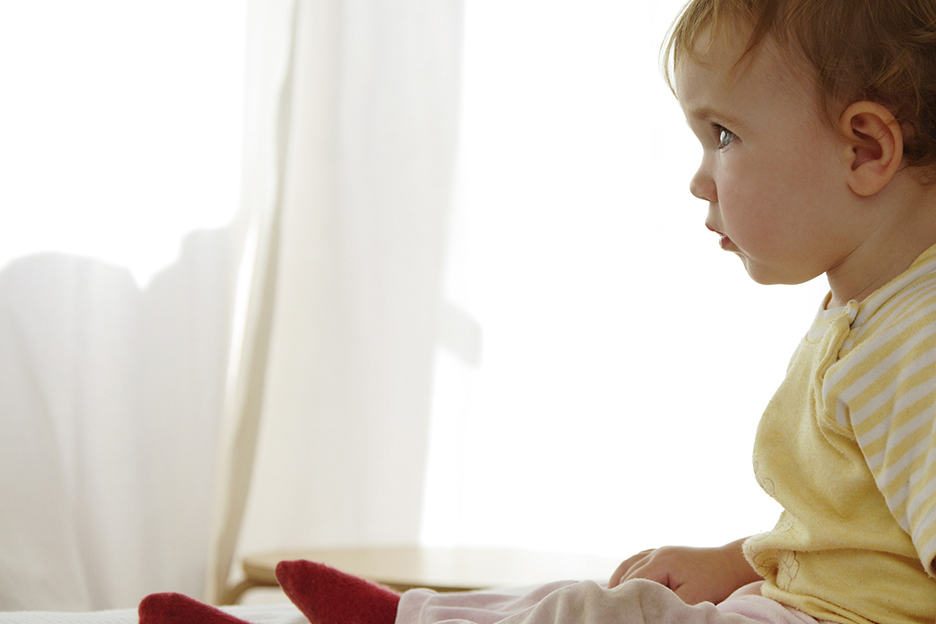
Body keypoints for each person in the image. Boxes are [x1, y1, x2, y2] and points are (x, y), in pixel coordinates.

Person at [139, 1, 936, 623]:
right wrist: (734, 562)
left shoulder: (918, 340)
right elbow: (856, 541)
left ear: (864, 150)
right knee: (581, 603)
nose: (700, 179)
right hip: (799, 605)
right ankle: (403, 618)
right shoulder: (869, 313)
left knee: (597, 616)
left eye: (722, 135)